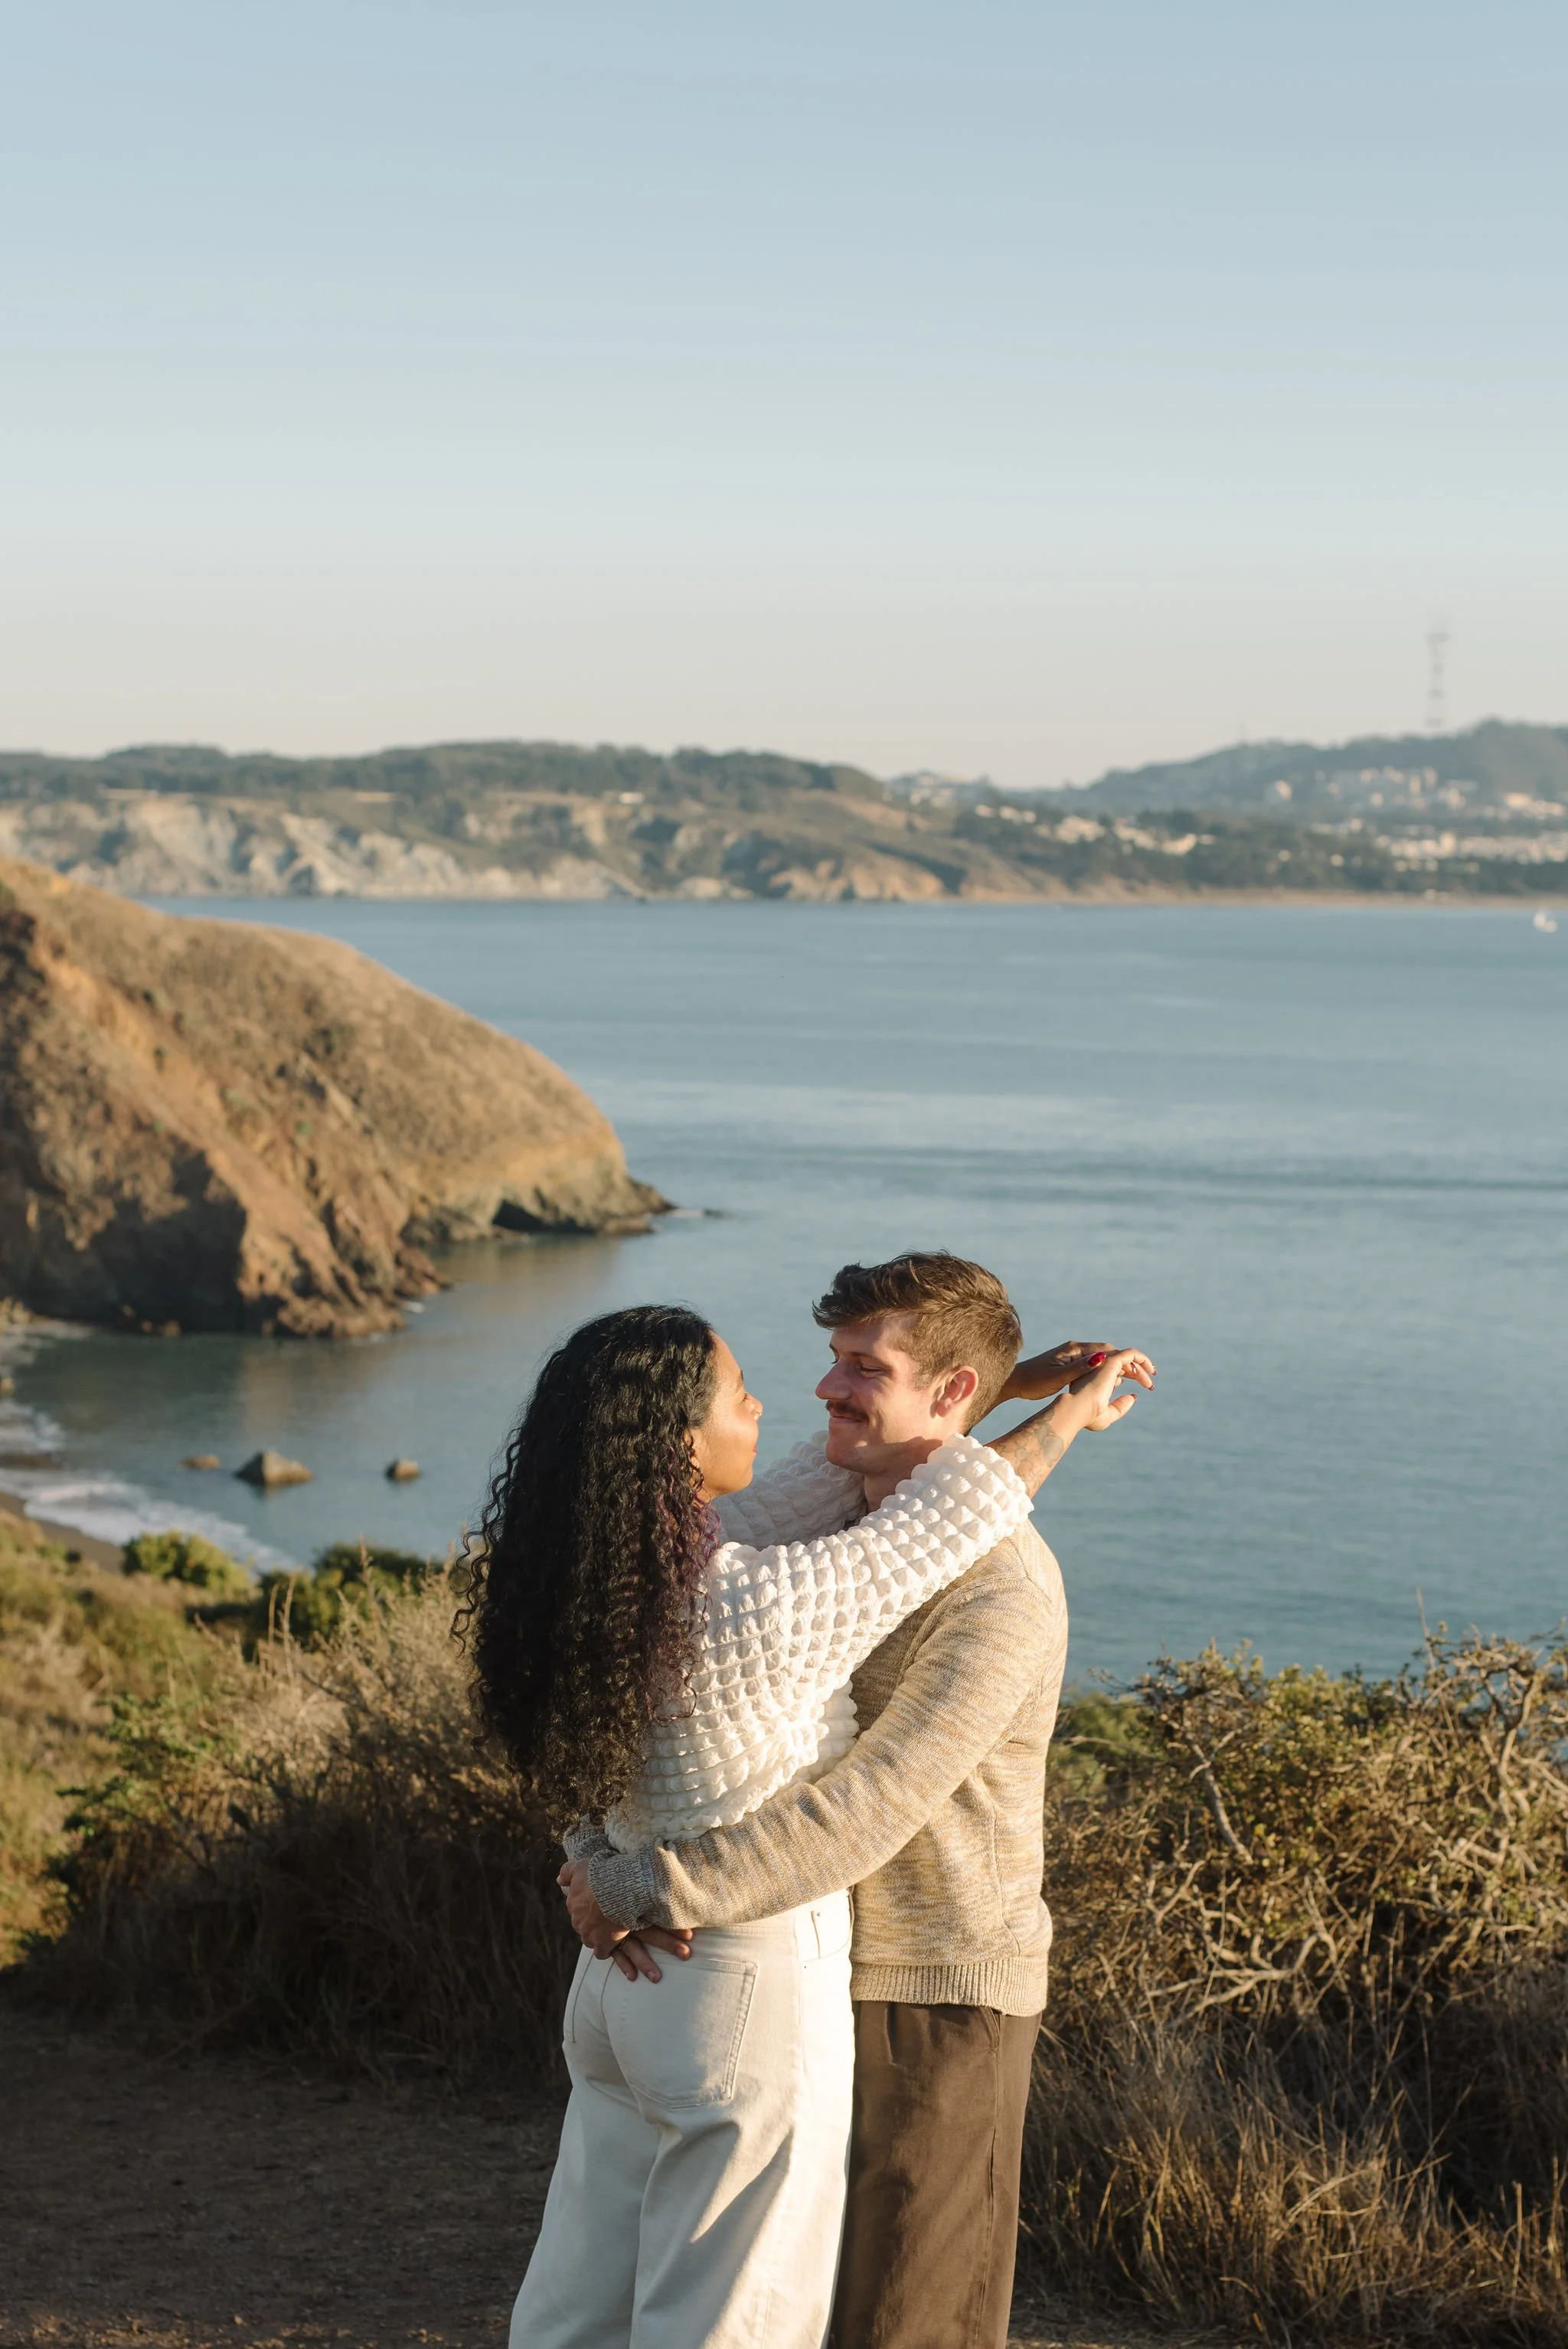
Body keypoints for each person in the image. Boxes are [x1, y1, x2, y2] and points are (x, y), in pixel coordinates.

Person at [467, 1294, 1141, 2349]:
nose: (778, 1406)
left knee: (576, 2313)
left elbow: (821, 1482)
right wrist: (1064, 1416)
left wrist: (598, 1864)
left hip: (619, 1990)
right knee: (728, 2323)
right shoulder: (756, 1604)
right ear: (681, 1441)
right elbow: (956, 1514)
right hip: (737, 1984)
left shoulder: (618, 1573)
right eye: (741, 1395)